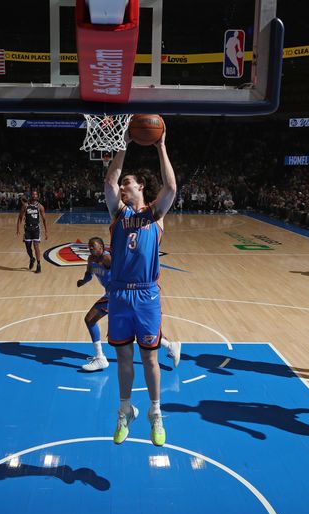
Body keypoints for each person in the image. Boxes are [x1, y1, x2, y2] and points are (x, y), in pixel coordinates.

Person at [103, 128, 176, 447]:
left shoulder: (156, 215)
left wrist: (161, 147)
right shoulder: (118, 213)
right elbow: (108, 181)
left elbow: (171, 186)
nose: (121, 186)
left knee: (149, 358)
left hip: (146, 294)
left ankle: (155, 414)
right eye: (121, 183)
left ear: (141, 186)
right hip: (119, 294)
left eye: (127, 182)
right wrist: (124, 145)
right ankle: (124, 410)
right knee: (122, 358)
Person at [77, 236, 181, 372]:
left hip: (117, 296)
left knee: (90, 319)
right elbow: (89, 274)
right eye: (89, 246)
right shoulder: (91, 260)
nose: (90, 248)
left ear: (101, 248)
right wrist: (82, 281)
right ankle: (170, 345)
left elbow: (125, 269)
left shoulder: (107, 259)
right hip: (112, 295)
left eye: (93, 246)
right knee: (139, 329)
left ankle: (101, 357)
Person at [16, 191, 48, 274]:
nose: (34, 196)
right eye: (33, 195)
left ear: (37, 196)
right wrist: (18, 228)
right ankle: (31, 258)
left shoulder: (40, 207)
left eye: (36, 195)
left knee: (36, 246)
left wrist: (46, 231)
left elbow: (44, 220)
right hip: (27, 229)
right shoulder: (25, 206)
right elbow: (20, 217)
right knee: (28, 247)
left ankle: (38, 265)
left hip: (36, 228)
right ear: (31, 196)